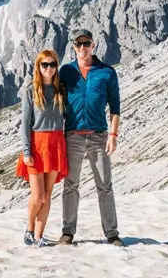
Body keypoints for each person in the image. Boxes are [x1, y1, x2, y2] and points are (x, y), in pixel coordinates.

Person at [58, 29, 123, 247]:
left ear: (93, 45)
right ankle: (68, 232)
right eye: (79, 44)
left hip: (99, 136)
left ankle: (112, 234)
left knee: (105, 185)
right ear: (73, 47)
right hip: (72, 136)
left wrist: (113, 135)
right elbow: (54, 100)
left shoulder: (106, 72)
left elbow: (115, 106)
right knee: (70, 185)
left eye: (87, 44)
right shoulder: (65, 71)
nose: (83, 48)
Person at [15, 49, 69, 247]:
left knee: (47, 196)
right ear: (38, 67)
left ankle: (39, 237)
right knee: (37, 195)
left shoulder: (60, 89)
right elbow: (25, 124)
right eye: (44, 64)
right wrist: (27, 151)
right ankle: (29, 230)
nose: (49, 68)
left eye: (52, 64)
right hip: (37, 145)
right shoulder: (31, 90)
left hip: (56, 144)